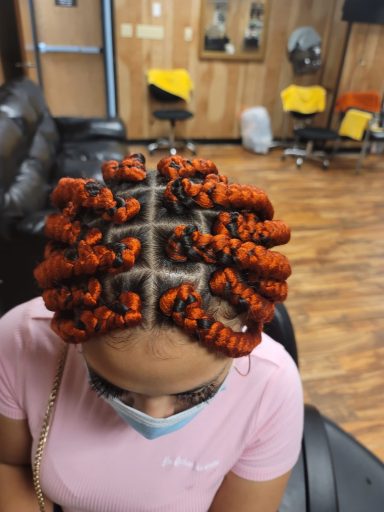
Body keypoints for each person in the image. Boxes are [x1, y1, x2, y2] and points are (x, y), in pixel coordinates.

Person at [0, 154, 303, 512]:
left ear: (239, 330)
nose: (154, 416)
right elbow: (10, 463)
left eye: (198, 394)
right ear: (75, 328)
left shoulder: (271, 388)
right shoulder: (19, 342)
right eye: (109, 387)